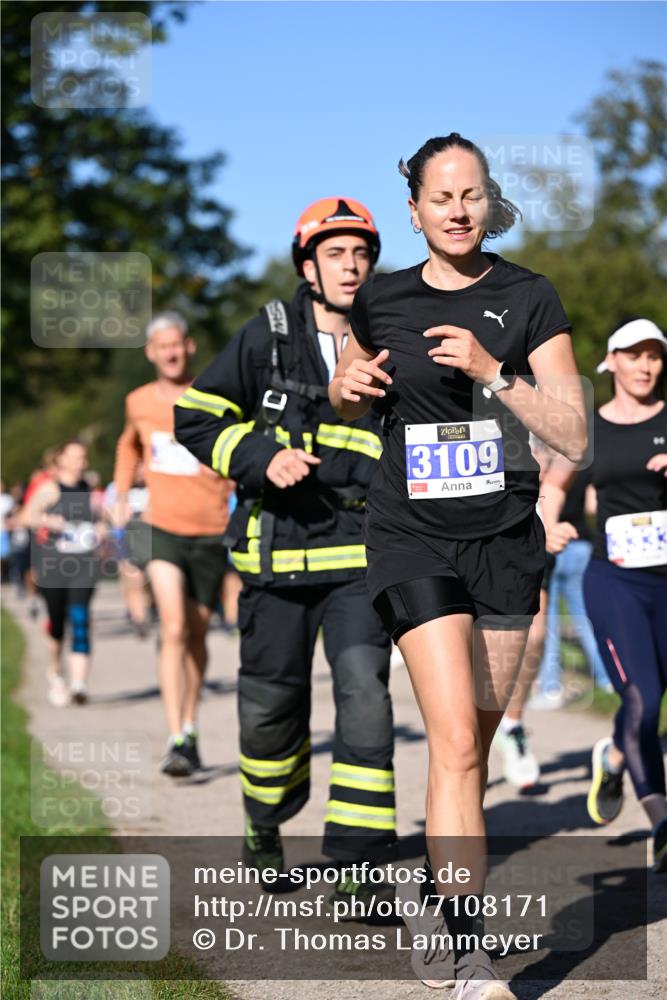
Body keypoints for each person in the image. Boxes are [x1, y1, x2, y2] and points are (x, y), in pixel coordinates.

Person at [329, 134, 587, 995]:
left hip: (505, 543)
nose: (457, 209)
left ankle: (434, 894)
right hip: (409, 538)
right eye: (440, 197)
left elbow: (574, 434)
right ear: (414, 211)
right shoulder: (381, 299)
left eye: (471, 194)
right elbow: (344, 380)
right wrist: (347, 388)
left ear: (489, 199)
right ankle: (475, 954)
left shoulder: (528, 297)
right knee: (452, 744)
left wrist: (493, 372)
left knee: (470, 747)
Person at [174, 198, 395, 905]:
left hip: (358, 562)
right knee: (271, 714)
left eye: (360, 252)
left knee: (365, 701)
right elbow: (196, 417)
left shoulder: (391, 338)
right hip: (274, 560)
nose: (350, 265)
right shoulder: (266, 336)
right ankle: (264, 827)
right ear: (308, 266)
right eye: (335, 253)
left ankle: (360, 868)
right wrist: (260, 456)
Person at [547, 318, 666, 873]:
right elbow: (553, 486)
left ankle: (614, 755)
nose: (646, 366)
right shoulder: (588, 431)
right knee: (640, 696)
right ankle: (662, 819)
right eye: (634, 354)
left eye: (655, 356)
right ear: (611, 361)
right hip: (614, 579)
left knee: (653, 700)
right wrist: (549, 522)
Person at [113, 311, 233, 776]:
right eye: (161, 344)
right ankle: (176, 736)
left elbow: (235, 443)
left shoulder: (212, 394)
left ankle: (191, 724)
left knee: (198, 634)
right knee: (175, 627)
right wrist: (122, 492)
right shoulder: (138, 401)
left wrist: (219, 469)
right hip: (161, 526)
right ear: (150, 352)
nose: (170, 351)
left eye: (177, 343)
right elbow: (129, 446)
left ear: (189, 346)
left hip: (208, 528)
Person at [24, 440, 103, 707]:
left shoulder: (89, 489)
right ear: (61, 460)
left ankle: (79, 685)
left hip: (84, 564)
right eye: (75, 457)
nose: (81, 461)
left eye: (83, 456)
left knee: (80, 619)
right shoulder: (50, 488)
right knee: (57, 624)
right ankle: (55, 671)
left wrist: (102, 529)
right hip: (53, 566)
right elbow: (27, 516)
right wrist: (48, 520)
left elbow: (102, 518)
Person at [532, 466, 611, 706]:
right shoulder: (582, 467)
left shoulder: (542, 471)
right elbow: (591, 506)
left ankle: (551, 688)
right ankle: (607, 677)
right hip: (580, 543)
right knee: (586, 617)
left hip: (550, 543)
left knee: (549, 621)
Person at [103, 467, 151, 638]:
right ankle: (139, 619)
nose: (140, 471)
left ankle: (144, 610)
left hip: (151, 539)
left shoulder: (156, 485)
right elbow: (109, 514)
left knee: (148, 581)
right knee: (133, 579)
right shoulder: (116, 487)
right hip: (126, 538)